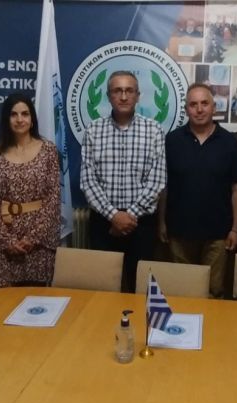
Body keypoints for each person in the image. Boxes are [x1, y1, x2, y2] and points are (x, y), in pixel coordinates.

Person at [80, 70, 166, 292]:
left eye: (129, 91)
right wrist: (114, 216)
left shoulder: (154, 130)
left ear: (138, 95)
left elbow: (157, 181)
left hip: (142, 225)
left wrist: (128, 217)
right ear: (108, 96)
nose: (124, 96)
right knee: (103, 290)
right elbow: (88, 181)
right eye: (117, 91)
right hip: (103, 225)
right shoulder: (93, 131)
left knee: (141, 289)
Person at [159, 83, 237, 298]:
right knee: (181, 292)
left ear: (214, 107)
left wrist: (235, 229)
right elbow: (164, 186)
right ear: (186, 109)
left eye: (204, 103)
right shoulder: (172, 141)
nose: (199, 109)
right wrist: (162, 222)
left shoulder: (229, 142)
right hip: (179, 233)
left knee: (214, 293)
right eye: (193, 104)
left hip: (218, 235)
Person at [0, 93, 61, 287]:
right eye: (13, 114)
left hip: (38, 244)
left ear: (32, 119)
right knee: (1, 302)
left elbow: (53, 197)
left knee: (36, 301)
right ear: (6, 120)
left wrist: (32, 237)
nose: (19, 119)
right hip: (3, 241)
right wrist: (6, 240)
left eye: (25, 114)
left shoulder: (48, 150)